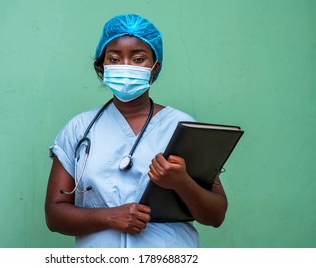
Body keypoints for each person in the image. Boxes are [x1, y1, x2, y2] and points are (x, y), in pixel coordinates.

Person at [45, 14, 228, 248]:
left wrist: (182, 182)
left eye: (138, 58)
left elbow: (215, 216)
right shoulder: (79, 129)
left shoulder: (181, 126)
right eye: (114, 58)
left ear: (155, 67)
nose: (126, 66)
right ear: (102, 66)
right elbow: (55, 214)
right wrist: (109, 217)